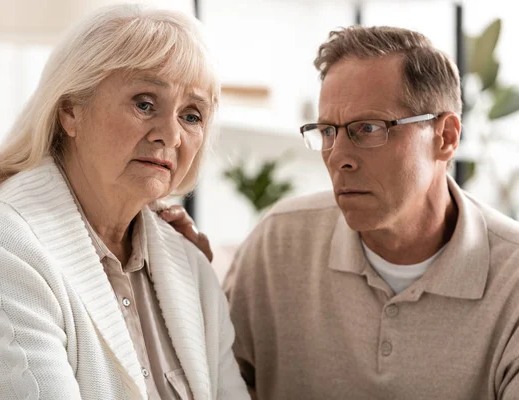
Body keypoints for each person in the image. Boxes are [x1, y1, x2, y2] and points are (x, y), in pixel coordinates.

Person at [163, 26, 519, 399]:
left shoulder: (511, 281)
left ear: (445, 137)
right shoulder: (279, 243)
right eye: (328, 131)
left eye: (367, 128)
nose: (339, 158)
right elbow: (211, 384)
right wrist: (191, 294)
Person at [0, 5, 249, 400]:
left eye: (192, 116)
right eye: (145, 104)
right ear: (70, 110)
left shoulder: (192, 267)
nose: (171, 136)